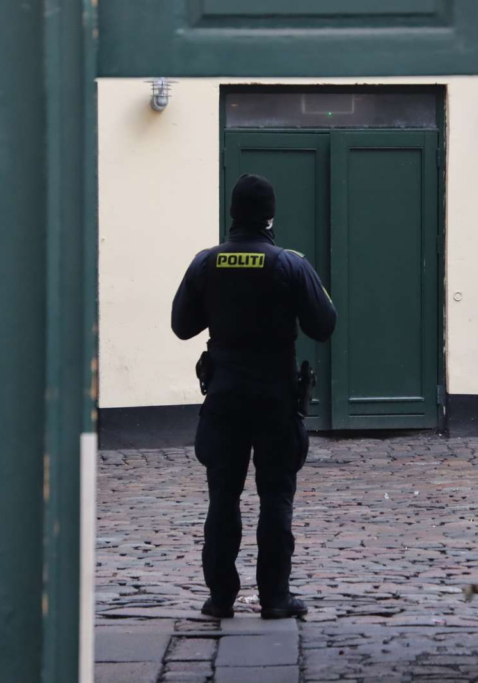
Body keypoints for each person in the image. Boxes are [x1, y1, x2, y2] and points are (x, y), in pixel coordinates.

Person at [171, 173, 337, 619]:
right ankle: (275, 598)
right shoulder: (289, 264)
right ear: (270, 217)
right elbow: (324, 324)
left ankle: (220, 598)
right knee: (276, 497)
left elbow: (182, 326)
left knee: (222, 498)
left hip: (224, 395)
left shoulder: (206, 263)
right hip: (274, 397)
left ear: (232, 214)